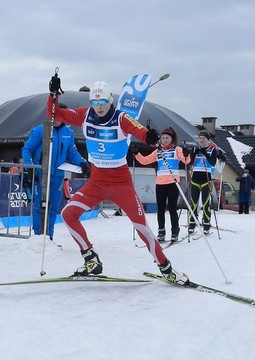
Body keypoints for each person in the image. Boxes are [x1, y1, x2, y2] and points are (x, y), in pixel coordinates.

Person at [46, 75, 190, 285]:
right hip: (96, 182)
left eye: (102, 101)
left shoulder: (121, 118)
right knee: (69, 213)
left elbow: (137, 129)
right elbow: (54, 115)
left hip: (121, 185)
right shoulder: (84, 116)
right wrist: (53, 96)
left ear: (110, 101)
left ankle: (166, 268)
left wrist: (149, 137)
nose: (98, 106)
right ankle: (90, 259)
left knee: (142, 228)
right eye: (94, 102)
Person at [21, 112, 87, 240]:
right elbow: (27, 149)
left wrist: (82, 162)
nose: (56, 119)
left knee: (53, 207)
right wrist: (30, 167)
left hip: (58, 176)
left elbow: (72, 152)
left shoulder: (68, 133)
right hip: (41, 174)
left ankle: (49, 237)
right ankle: (38, 237)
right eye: (53, 116)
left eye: (59, 116)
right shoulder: (40, 130)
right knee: (39, 206)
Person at [134, 127, 189, 242]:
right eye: (163, 138)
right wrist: (137, 154)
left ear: (172, 139)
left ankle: (175, 231)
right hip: (160, 183)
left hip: (173, 182)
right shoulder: (158, 151)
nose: (164, 140)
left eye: (167, 138)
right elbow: (145, 161)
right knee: (160, 209)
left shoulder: (176, 149)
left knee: (172, 209)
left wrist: (187, 154)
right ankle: (161, 231)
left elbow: (185, 161)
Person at [184, 131, 224, 235]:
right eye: (200, 138)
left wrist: (204, 152)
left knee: (206, 203)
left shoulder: (212, 150)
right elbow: (190, 162)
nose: (201, 140)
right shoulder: (195, 149)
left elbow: (212, 162)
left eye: (203, 138)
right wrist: (191, 153)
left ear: (208, 140)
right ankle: (192, 224)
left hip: (206, 178)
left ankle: (206, 224)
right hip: (195, 178)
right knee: (194, 203)